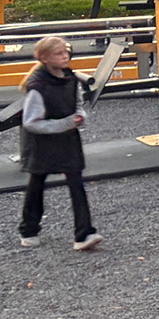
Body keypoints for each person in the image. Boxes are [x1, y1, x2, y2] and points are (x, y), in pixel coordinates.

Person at [18, 36, 102, 251]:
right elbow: (31, 122)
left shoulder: (70, 78)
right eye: (59, 54)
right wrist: (66, 123)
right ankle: (29, 229)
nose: (65, 56)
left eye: (66, 52)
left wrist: (80, 117)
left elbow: (77, 104)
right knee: (36, 183)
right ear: (44, 58)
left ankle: (83, 233)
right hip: (41, 143)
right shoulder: (37, 87)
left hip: (67, 140)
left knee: (76, 183)